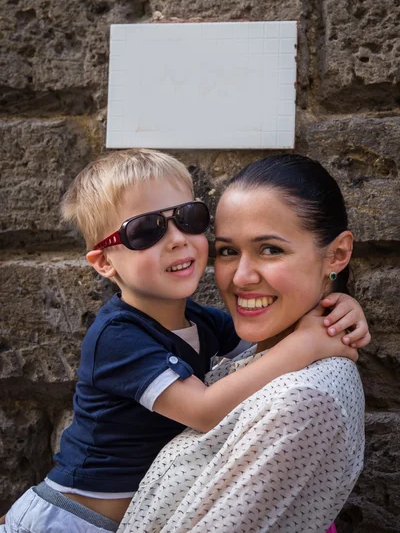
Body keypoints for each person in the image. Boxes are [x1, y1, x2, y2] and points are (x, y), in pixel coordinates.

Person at [0, 150, 369, 533]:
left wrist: (338, 309)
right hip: (70, 519)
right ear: (105, 263)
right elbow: (206, 409)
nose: (178, 239)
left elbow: (274, 341)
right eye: (145, 230)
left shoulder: (203, 323)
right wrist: (308, 344)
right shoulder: (117, 336)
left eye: (189, 219)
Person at [118, 153, 367, 533]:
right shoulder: (267, 348)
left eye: (271, 249)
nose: (241, 278)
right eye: (228, 251)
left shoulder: (303, 400)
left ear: (337, 254)